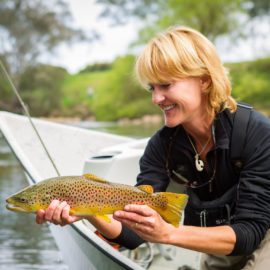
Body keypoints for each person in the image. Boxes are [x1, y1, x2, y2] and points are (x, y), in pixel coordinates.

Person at [36, 26, 270, 269]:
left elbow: (250, 232)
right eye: (152, 88)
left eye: (166, 85)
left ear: (204, 80)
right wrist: (85, 211)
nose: (156, 99)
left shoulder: (255, 132)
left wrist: (167, 233)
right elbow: (132, 235)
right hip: (220, 244)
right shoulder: (161, 147)